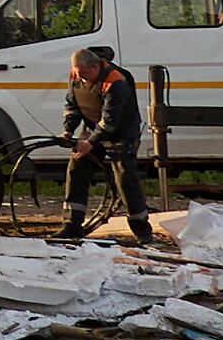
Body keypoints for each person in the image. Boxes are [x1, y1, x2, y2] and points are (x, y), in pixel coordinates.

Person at [54, 45, 158, 245]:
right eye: (79, 74)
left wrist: (90, 143)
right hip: (93, 128)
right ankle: (72, 226)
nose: (82, 78)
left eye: (85, 74)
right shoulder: (77, 75)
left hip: (121, 133)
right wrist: (68, 129)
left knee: (125, 178)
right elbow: (72, 105)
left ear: (95, 67)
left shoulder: (116, 81)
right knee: (77, 169)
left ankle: (142, 232)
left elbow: (111, 121)